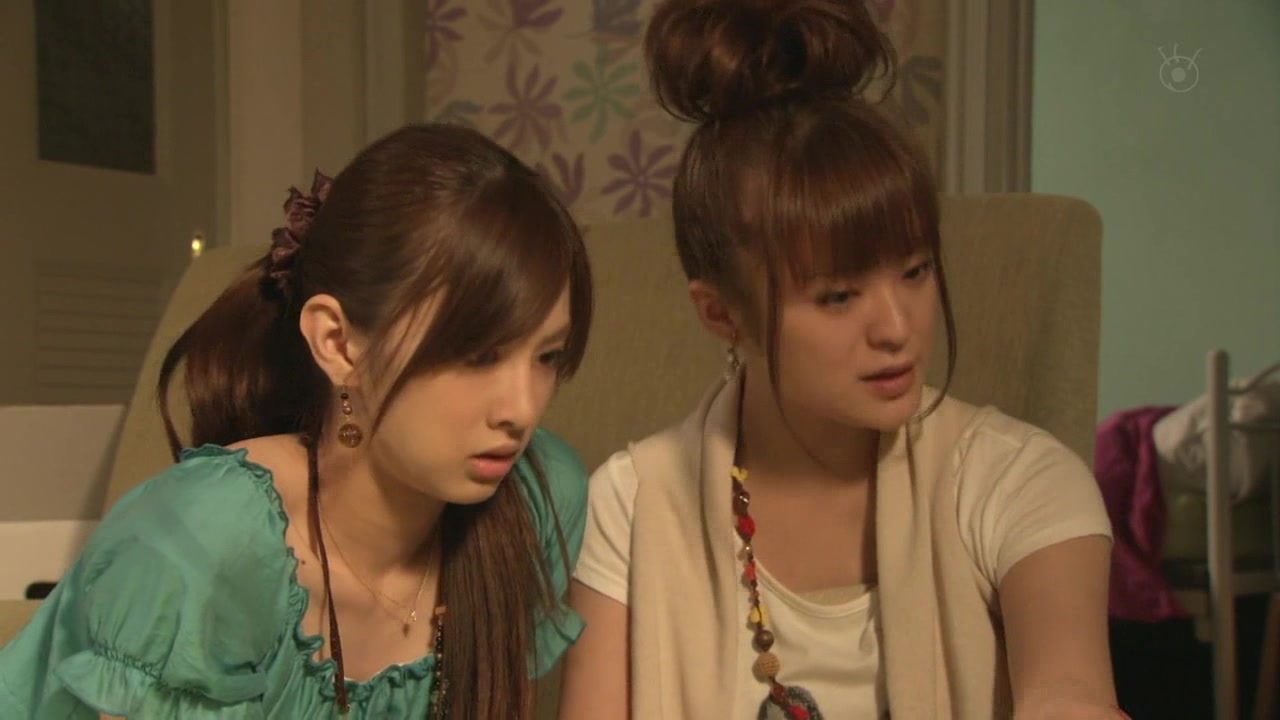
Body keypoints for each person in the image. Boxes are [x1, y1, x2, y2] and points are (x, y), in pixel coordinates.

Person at [558, 1, 1127, 718]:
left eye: (916, 271)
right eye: (837, 296)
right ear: (722, 314)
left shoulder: (1020, 482)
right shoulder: (633, 505)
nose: (897, 327)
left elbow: (1069, 694)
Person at [0, 123, 594, 719]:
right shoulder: (210, 542)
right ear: (337, 343)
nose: (521, 409)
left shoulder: (538, 498)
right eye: (479, 356)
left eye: (547, 356)